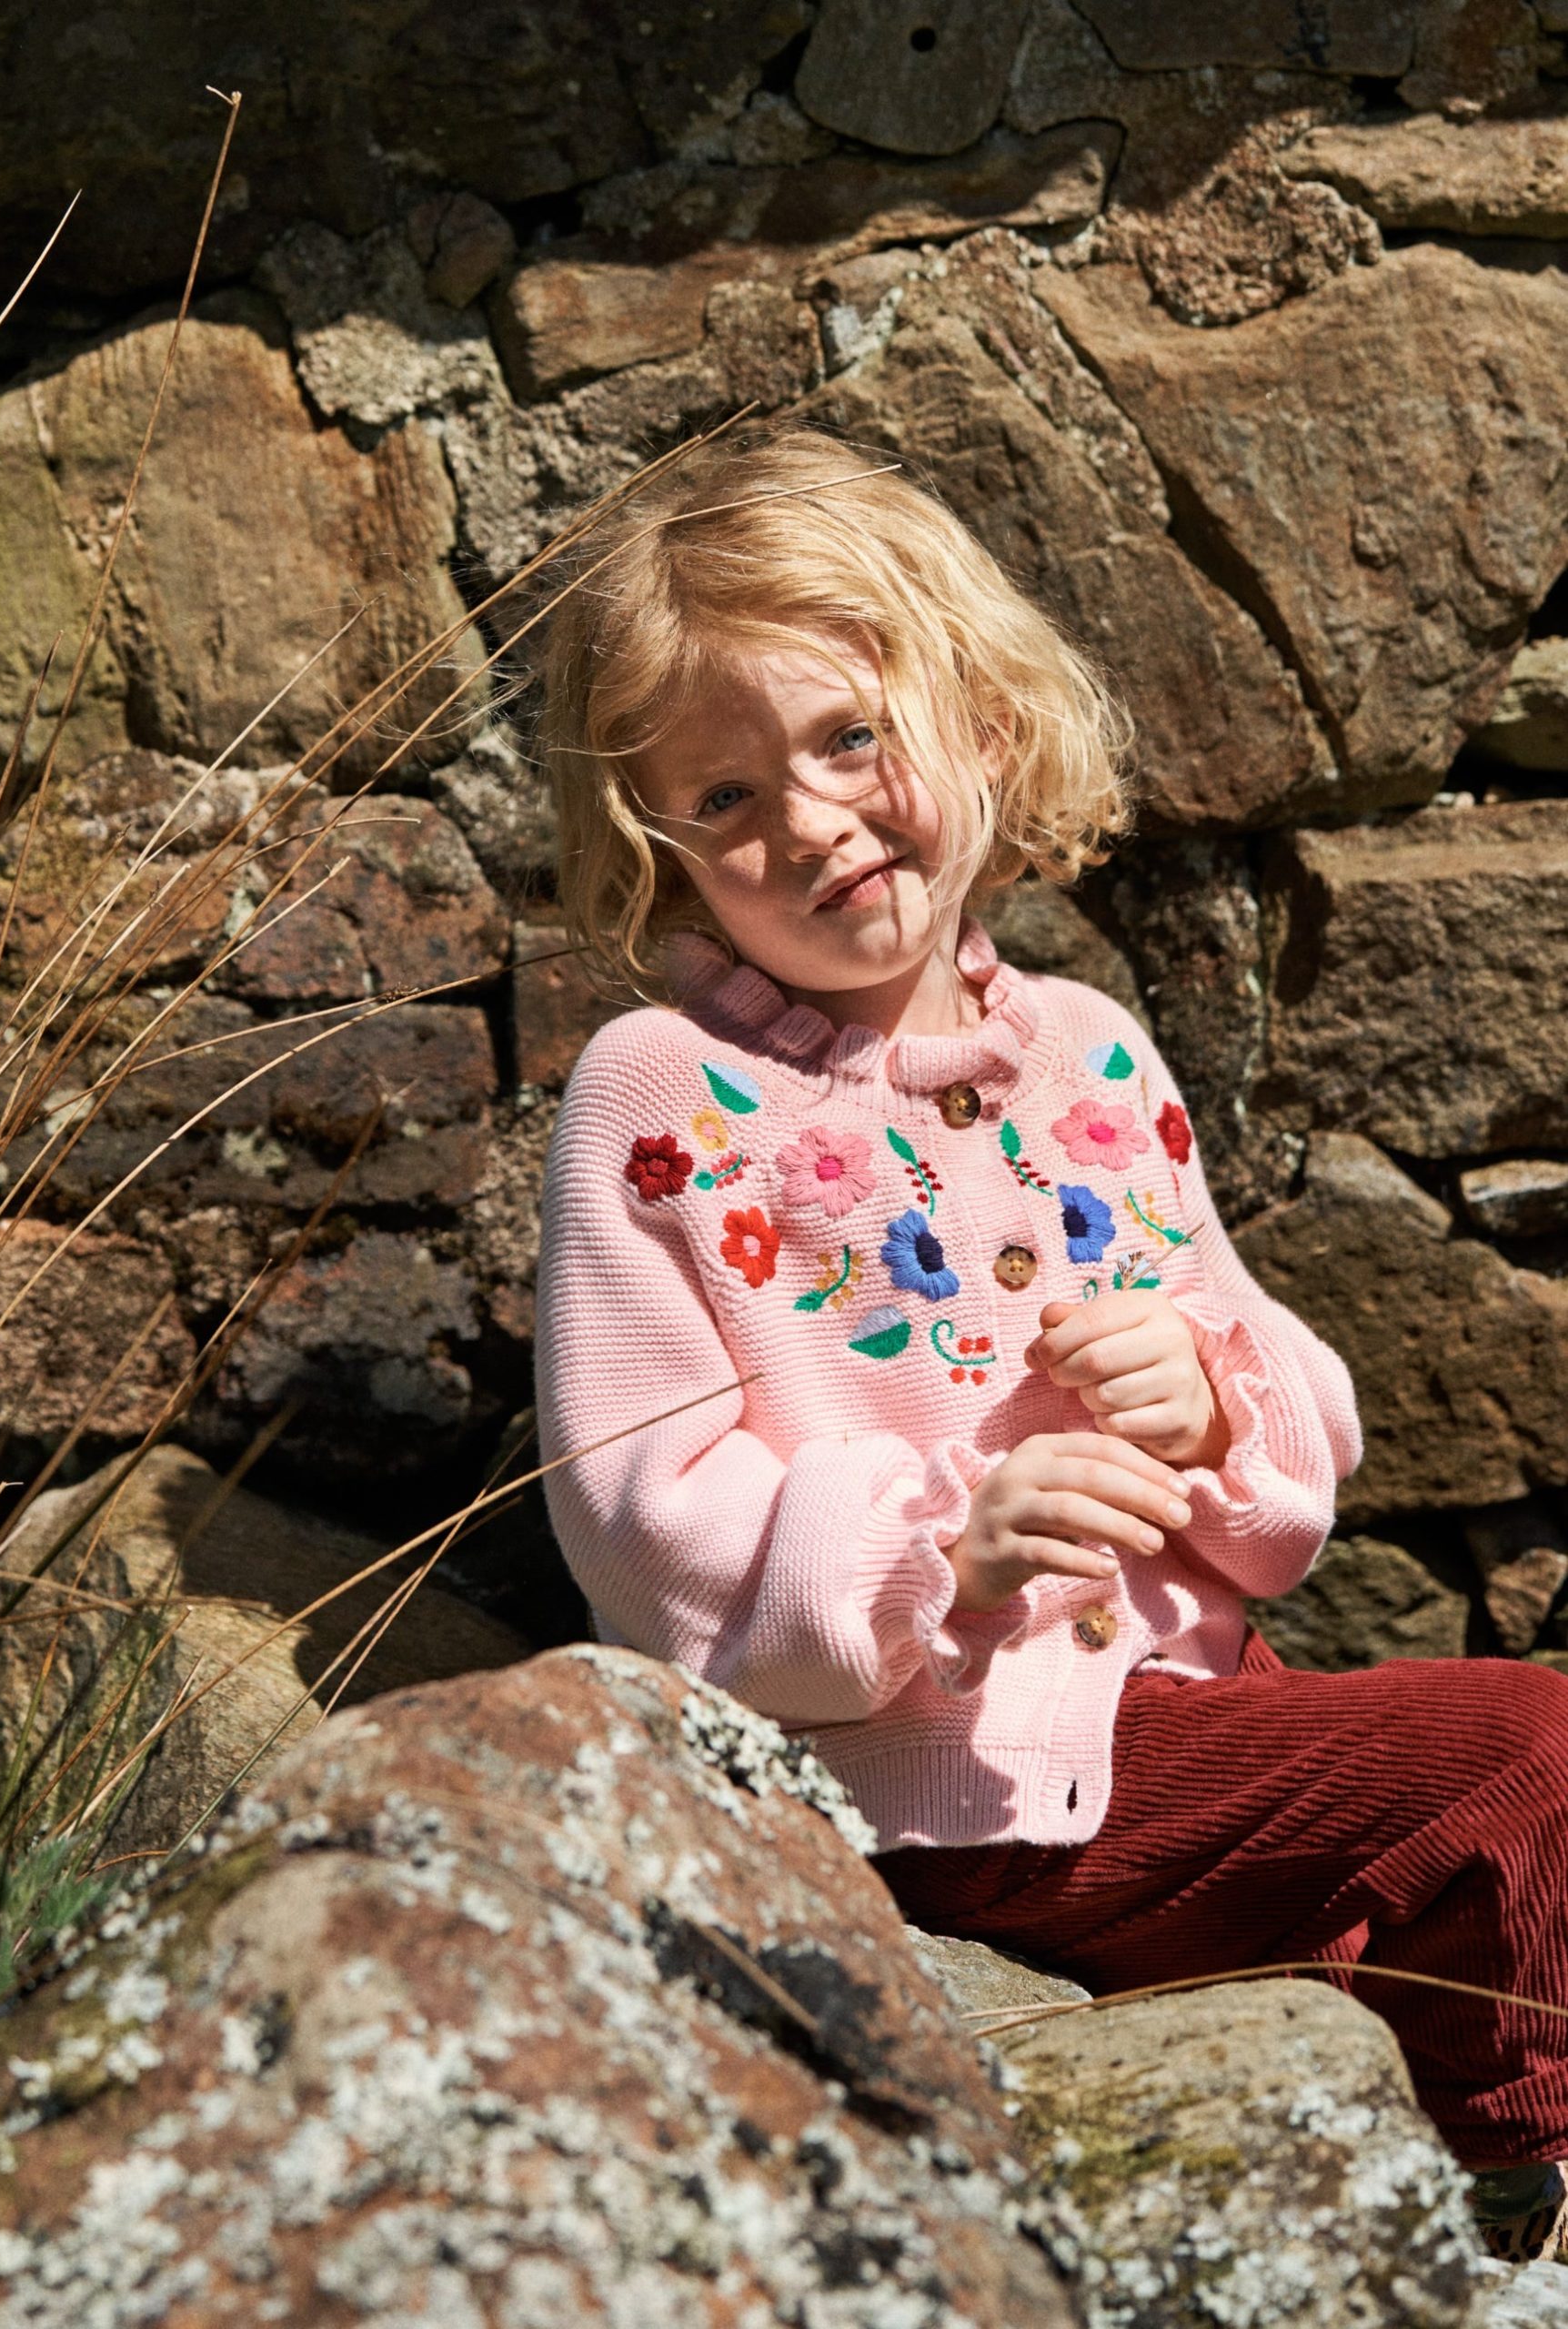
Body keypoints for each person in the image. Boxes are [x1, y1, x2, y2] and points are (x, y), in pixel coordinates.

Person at [528, 421, 1568, 2262]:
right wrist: (942, 1552)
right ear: (668, 858)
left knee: (1477, 1783)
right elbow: (640, 1514)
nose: (814, 821)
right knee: (1536, 1737)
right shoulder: (663, 1094)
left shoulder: (1085, 1044)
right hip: (944, 1778)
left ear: (980, 720)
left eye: (850, 737)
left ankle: (1453, 2112)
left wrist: (1206, 1394)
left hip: (1194, 1730)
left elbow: (1265, 1397)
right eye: (727, 802)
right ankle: (1517, 2174)